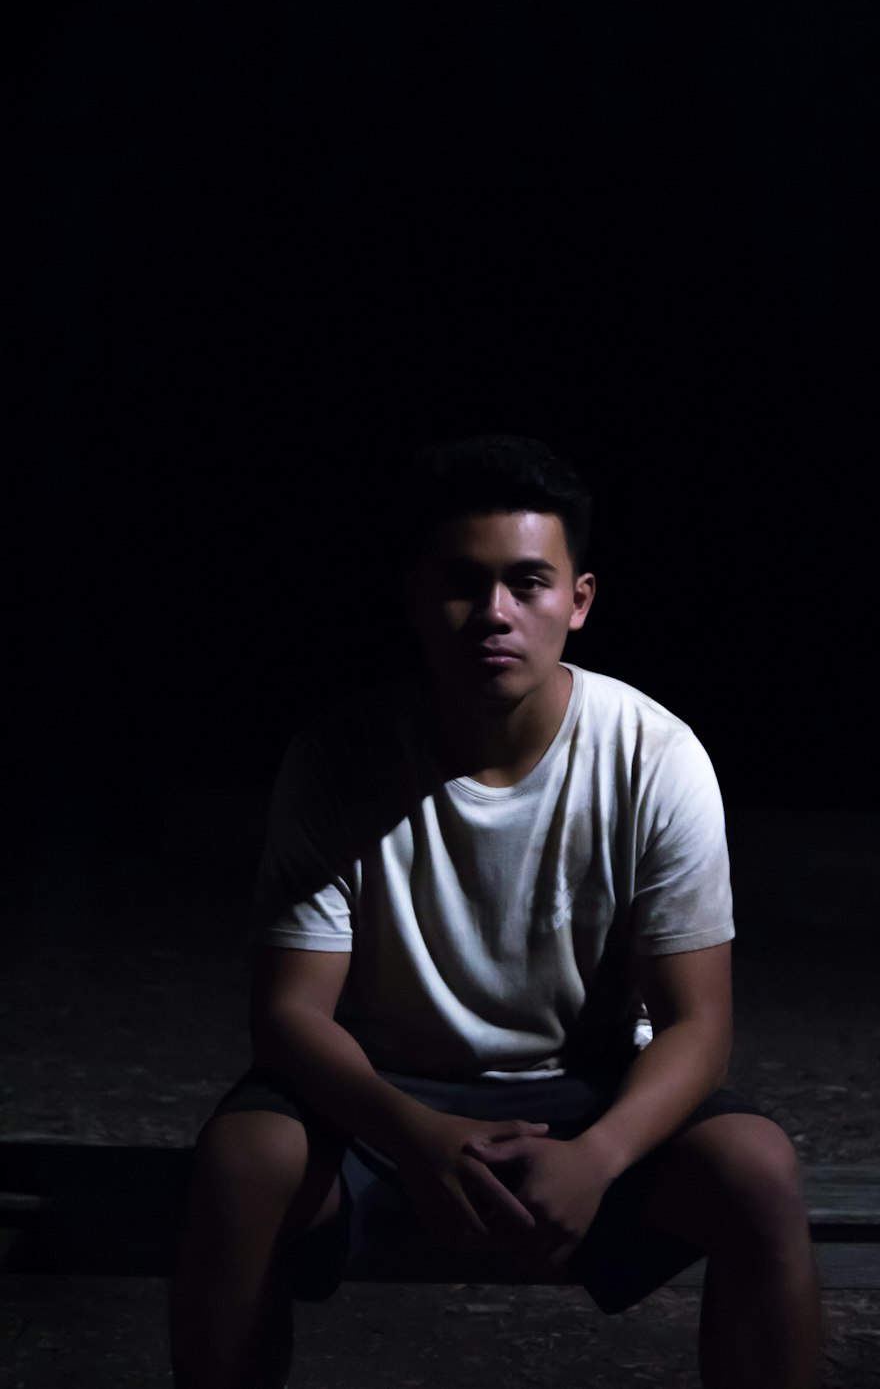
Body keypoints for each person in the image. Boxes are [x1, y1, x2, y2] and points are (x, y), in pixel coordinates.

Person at [170, 434, 821, 1389]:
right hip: (379, 1094)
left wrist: (596, 1156)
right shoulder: (340, 755)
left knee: (758, 1170)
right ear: (412, 596)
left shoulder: (652, 754)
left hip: (584, 1091)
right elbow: (289, 1015)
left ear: (579, 601)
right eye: (462, 582)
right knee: (241, 1162)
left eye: (528, 583)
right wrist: (411, 1135)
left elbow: (699, 1025)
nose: (494, 615)